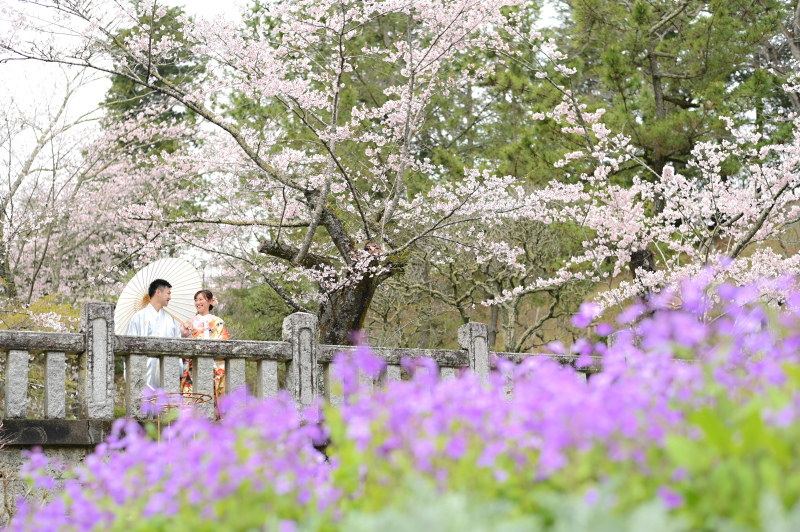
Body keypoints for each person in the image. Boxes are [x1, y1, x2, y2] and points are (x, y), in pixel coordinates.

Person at [126, 279, 190, 390]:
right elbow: (129, 347)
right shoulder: (138, 317)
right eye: (168, 293)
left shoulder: (171, 320)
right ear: (158, 292)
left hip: (166, 370)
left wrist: (182, 335)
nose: (170, 297)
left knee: (166, 399)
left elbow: (176, 343)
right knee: (145, 398)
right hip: (145, 369)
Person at [180, 290, 230, 415]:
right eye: (196, 300)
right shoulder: (189, 322)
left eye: (201, 299)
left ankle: (216, 416)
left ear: (210, 301)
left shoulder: (217, 321)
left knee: (214, 390)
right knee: (192, 392)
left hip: (213, 364)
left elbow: (223, 340)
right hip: (193, 365)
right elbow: (185, 343)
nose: (198, 302)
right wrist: (183, 334)